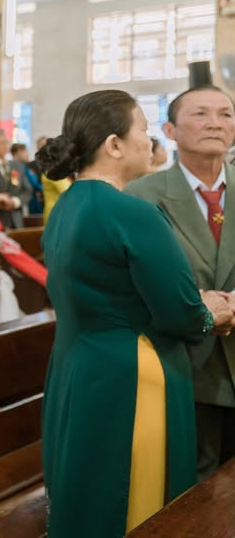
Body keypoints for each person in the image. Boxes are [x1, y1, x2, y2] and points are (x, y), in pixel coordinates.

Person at [36, 89, 234, 536]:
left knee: (87, 488)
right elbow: (182, 315)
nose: (150, 142)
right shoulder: (131, 211)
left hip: (77, 365)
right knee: (136, 500)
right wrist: (213, 311)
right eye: (143, 130)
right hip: (132, 372)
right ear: (114, 144)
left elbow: (110, 288)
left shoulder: (67, 205)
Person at [125, 85, 235, 480]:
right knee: (194, 490)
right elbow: (130, 280)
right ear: (170, 130)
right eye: (201, 114)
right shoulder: (141, 196)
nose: (215, 124)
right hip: (183, 366)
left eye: (225, 114)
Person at [12, 143, 44, 216]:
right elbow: (15, 184)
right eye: (24, 151)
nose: (27, 154)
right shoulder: (15, 168)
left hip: (33, 200)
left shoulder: (26, 167)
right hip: (25, 201)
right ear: (16, 153)